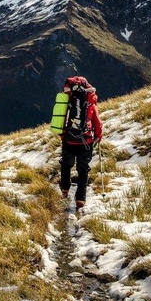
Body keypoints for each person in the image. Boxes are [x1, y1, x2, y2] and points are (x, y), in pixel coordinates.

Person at [58, 76, 103, 209]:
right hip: (86, 140)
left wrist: (62, 134)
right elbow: (97, 121)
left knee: (66, 164)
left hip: (68, 139)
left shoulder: (65, 100)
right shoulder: (90, 101)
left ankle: (65, 189)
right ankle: (80, 199)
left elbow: (60, 117)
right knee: (83, 169)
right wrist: (98, 136)